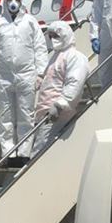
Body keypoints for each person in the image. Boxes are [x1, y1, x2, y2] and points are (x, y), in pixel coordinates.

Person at [0, 0, 48, 166]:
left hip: (26, 74)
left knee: (26, 115)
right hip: (3, 77)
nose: (13, 2)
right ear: (5, 1)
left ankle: (24, 153)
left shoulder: (30, 22)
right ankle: (9, 154)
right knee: (5, 117)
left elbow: (40, 47)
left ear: (21, 1)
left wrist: (40, 72)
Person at [32, 21, 89, 156]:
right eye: (51, 36)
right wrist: (40, 78)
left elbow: (74, 83)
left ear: (65, 35)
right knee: (40, 148)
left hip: (58, 113)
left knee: (40, 152)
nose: (53, 39)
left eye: (56, 35)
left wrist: (60, 105)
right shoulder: (56, 56)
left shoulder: (75, 57)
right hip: (45, 112)